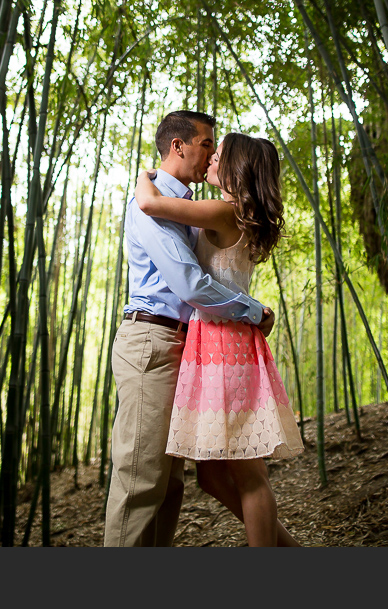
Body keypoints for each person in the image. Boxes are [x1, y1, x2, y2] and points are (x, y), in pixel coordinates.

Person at [103, 110, 276, 548]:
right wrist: (253, 311)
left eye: (218, 150)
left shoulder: (195, 206)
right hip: (154, 341)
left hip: (194, 345)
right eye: (206, 145)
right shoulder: (158, 200)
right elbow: (189, 282)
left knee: (168, 484)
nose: (211, 155)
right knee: (142, 480)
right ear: (179, 146)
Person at [135, 131, 304, 547]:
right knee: (211, 475)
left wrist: (144, 174)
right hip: (214, 345)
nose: (210, 159)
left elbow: (149, 204)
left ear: (237, 168)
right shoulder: (236, 212)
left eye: (220, 154)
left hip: (225, 345)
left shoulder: (223, 210)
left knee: (249, 472)